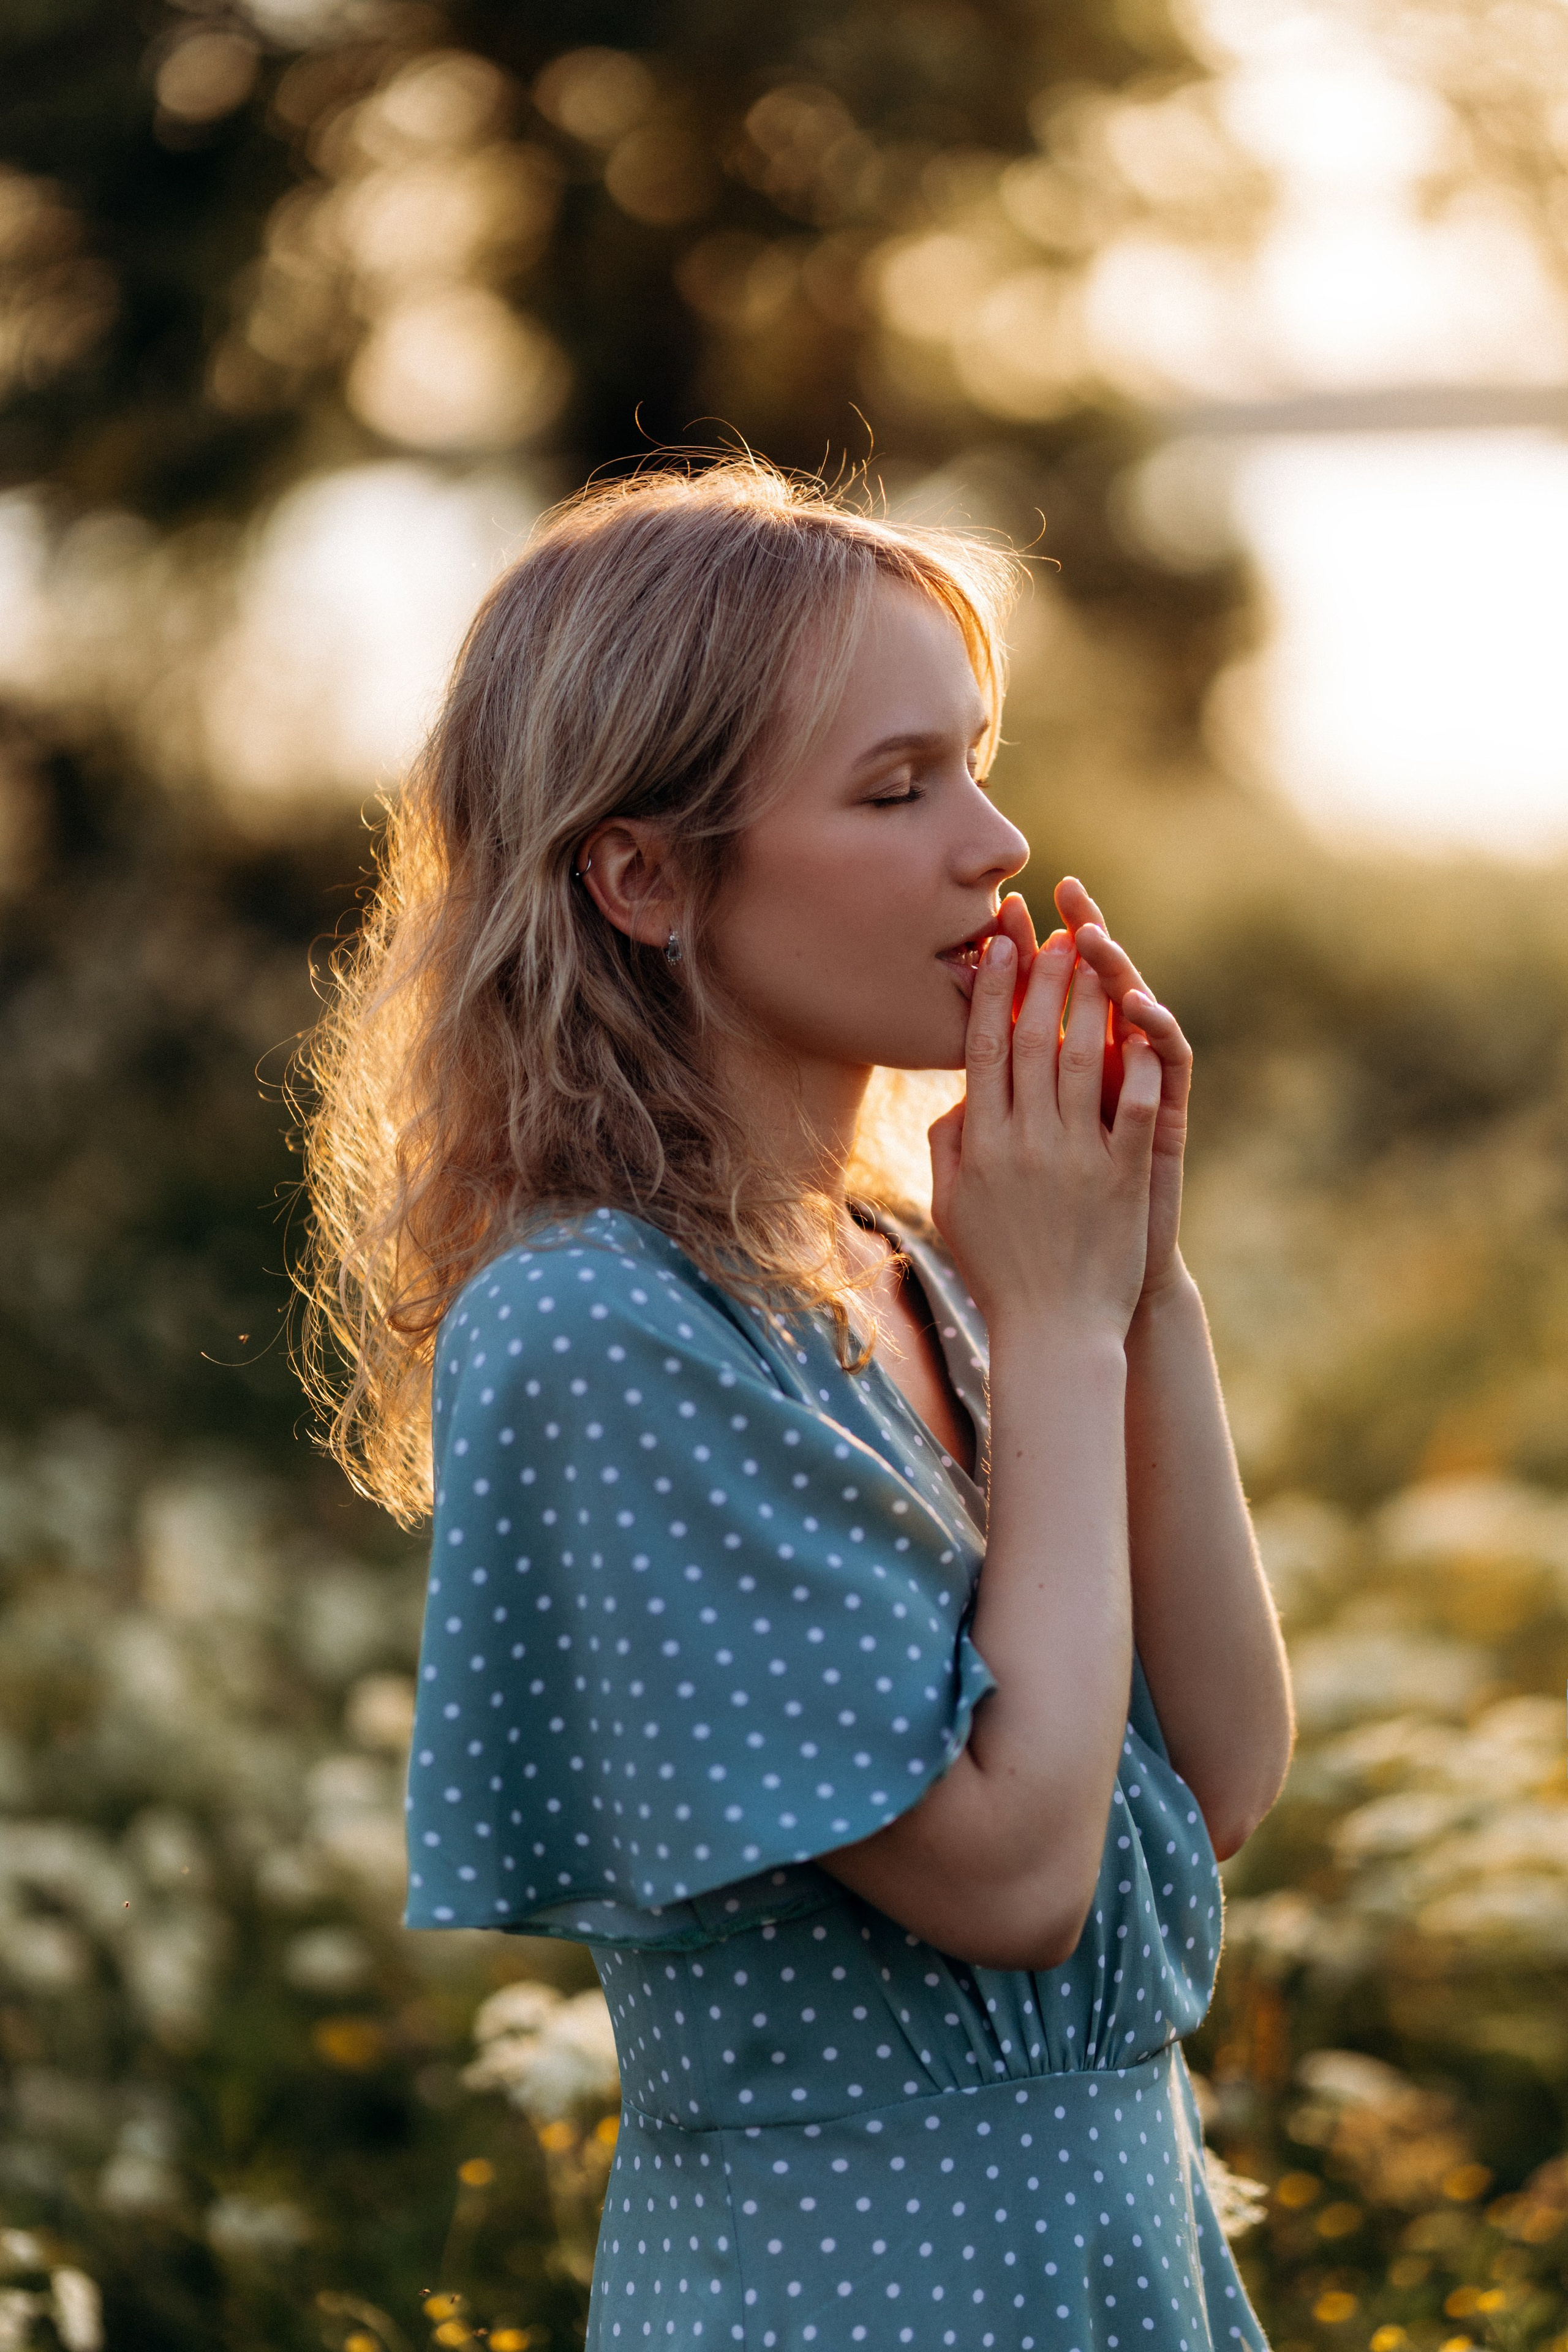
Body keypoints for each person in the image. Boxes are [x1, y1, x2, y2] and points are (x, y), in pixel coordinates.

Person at [300, 458, 1294, 2352]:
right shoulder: (599, 1327)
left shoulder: (908, 1264)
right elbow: (1011, 1876)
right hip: (859, 2296)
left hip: (1124, 2271)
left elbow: (1222, 1776)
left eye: (978, 766)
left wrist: (1140, 1279)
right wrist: (1068, 1324)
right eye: (898, 788)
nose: (995, 843)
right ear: (648, 874)